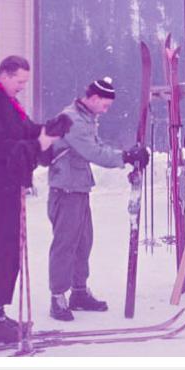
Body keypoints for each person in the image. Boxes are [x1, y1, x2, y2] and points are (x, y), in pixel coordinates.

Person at [0, 55, 66, 344]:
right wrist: (38, 144)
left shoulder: (8, 102)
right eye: (20, 81)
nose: (23, 86)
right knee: (1, 249)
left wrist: (49, 129)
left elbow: (26, 129)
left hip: (9, 187)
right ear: (5, 75)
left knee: (10, 250)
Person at [45, 76, 149, 321]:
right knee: (65, 245)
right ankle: (57, 296)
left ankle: (78, 292)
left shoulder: (86, 118)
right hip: (65, 190)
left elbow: (97, 145)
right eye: (104, 105)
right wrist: (124, 157)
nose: (106, 109)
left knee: (83, 243)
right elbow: (93, 152)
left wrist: (126, 154)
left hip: (78, 188)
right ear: (93, 98)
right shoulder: (72, 120)